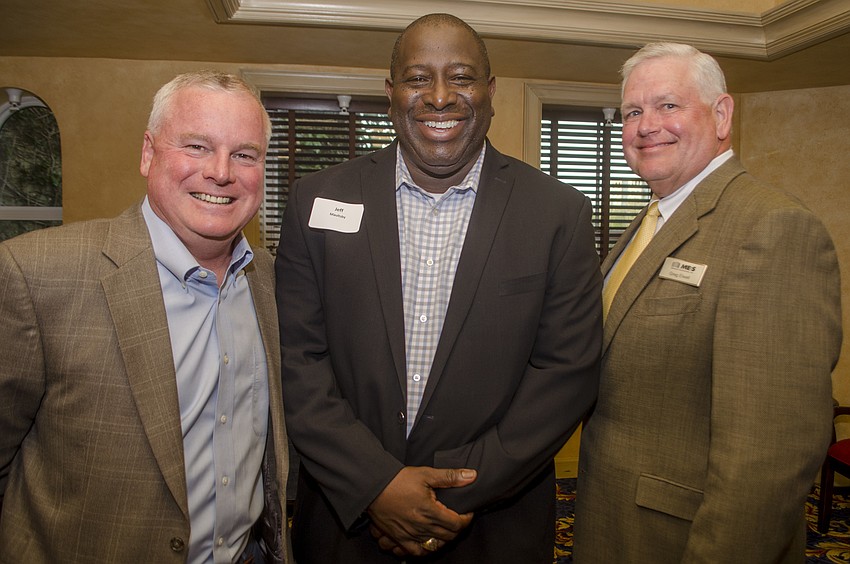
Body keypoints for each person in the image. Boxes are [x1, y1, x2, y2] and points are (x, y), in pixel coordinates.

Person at [275, 12, 602, 564]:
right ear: (391, 92)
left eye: (462, 76)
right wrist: (377, 485)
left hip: (491, 526)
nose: (441, 96)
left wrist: (446, 494)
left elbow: (565, 374)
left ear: (491, 92)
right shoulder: (315, 201)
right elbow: (297, 360)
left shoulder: (558, 213)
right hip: (345, 522)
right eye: (419, 78)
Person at [0, 70, 291, 563]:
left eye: (245, 154)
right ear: (148, 153)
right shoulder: (36, 274)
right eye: (197, 147)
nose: (221, 172)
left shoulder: (272, 279)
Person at [572, 42, 842, 563]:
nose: (647, 125)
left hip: (691, 539)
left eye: (668, 105)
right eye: (633, 111)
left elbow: (770, 458)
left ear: (721, 115)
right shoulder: (650, 221)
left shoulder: (771, 228)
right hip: (617, 521)